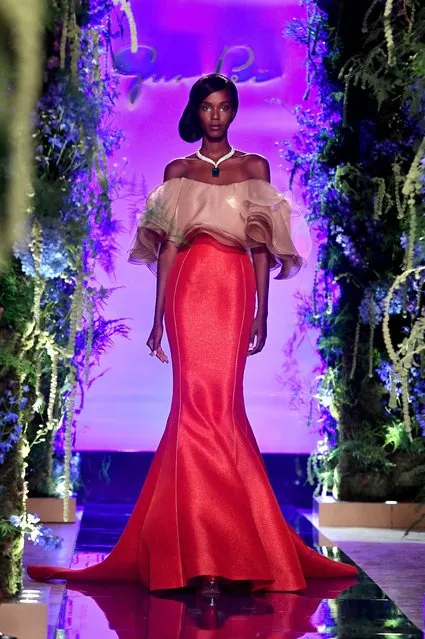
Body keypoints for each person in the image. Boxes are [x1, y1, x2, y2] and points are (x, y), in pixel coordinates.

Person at [27, 73, 358, 598]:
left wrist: (262, 313)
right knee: (193, 408)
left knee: (222, 408)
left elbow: (261, 250)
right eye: (207, 107)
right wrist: (158, 318)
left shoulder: (254, 169)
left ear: (234, 112)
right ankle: (202, 555)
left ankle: (225, 548)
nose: (216, 116)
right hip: (188, 294)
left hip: (232, 294)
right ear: (196, 111)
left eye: (224, 107)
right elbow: (169, 250)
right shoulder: (177, 171)